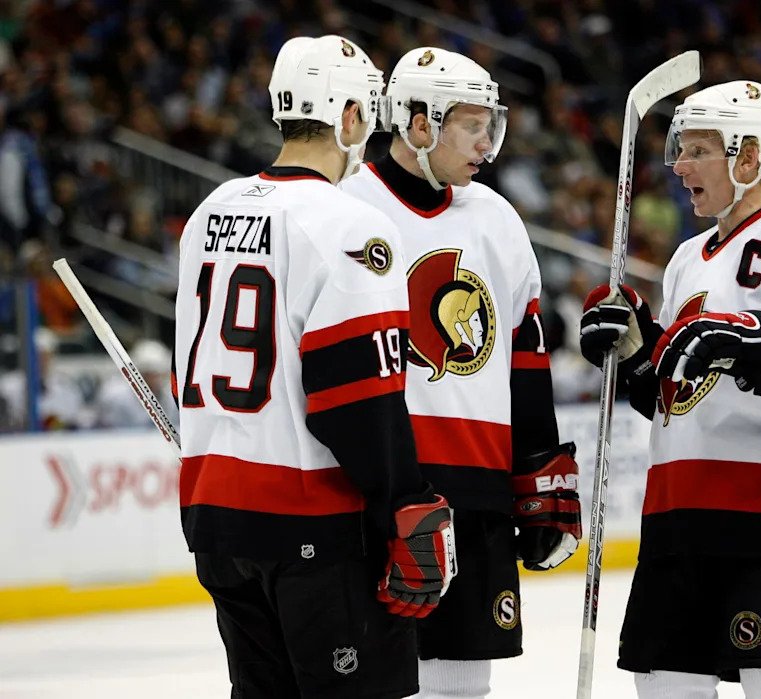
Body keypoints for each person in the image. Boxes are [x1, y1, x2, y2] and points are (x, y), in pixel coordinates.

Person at [173, 36, 455, 699]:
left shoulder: (208, 213)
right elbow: (356, 396)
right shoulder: (350, 225)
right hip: (312, 528)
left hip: (217, 519)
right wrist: (405, 502)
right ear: (350, 116)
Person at [579, 80, 761, 698]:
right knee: (662, 688)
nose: (678, 165)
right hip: (679, 523)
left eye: (696, 150)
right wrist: (636, 353)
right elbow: (677, 403)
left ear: (747, 157)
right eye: (679, 148)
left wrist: (753, 340)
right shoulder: (688, 258)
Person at [340, 47, 582, 699]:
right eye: (473, 125)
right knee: (378, 682)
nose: (487, 142)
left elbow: (525, 361)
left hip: (476, 495)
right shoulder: (346, 209)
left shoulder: (497, 218)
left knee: (463, 687)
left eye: (491, 124)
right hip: (378, 498)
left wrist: (541, 475)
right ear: (420, 124)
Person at [96, 338, 179, 429]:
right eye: (149, 374)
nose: (155, 379)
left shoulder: (172, 396)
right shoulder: (115, 395)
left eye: (158, 374)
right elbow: (107, 431)